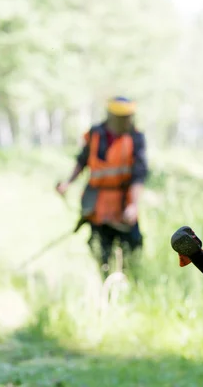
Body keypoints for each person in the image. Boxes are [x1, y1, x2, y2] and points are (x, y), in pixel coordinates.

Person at [57, 96, 148, 278]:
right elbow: (82, 160)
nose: (127, 120)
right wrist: (68, 182)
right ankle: (106, 280)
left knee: (132, 245)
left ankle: (128, 280)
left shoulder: (136, 138)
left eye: (129, 116)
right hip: (97, 205)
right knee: (100, 248)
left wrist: (133, 205)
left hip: (123, 205)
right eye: (123, 117)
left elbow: (139, 175)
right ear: (111, 116)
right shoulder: (95, 134)